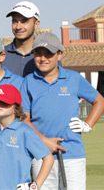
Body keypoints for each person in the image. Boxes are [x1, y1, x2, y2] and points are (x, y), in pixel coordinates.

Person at [21, 32, 104, 189]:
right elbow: (25, 119)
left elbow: (99, 101)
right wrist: (45, 141)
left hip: (72, 153)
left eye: (49, 54)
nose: (43, 58)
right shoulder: (28, 82)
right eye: (38, 53)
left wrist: (88, 124)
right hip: (41, 154)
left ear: (59, 54)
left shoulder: (73, 78)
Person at [0, 84, 53, 190]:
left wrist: (35, 185)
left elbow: (49, 158)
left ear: (16, 108)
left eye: (4, 102)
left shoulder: (25, 131)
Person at [2, 1, 41, 77]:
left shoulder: (46, 56)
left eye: (24, 21)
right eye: (15, 21)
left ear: (36, 24)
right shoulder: (1, 56)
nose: (18, 27)